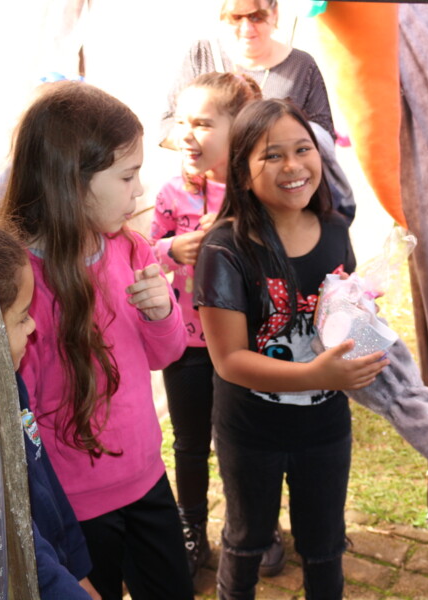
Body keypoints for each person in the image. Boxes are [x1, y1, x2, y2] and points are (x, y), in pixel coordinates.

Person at [0, 80, 191, 600]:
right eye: (128, 176)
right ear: (72, 182)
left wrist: (161, 313)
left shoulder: (130, 248)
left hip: (148, 479)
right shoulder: (22, 288)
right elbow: (24, 416)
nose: (141, 191)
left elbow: (166, 355)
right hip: (79, 510)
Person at [193, 99, 389, 599]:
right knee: (247, 539)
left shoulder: (336, 231)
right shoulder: (224, 249)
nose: (294, 165)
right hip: (251, 431)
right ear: (241, 172)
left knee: (324, 545)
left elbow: (341, 317)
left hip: (324, 428)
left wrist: (364, 323)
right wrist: (318, 377)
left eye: (303, 149)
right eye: (272, 155)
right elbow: (230, 360)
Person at [149, 71, 261, 581]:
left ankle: (254, 529)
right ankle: (191, 529)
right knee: (190, 443)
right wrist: (171, 249)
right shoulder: (173, 193)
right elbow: (143, 260)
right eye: (182, 122)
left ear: (237, 130)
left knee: (246, 442)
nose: (187, 133)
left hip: (244, 343)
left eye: (202, 123)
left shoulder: (256, 192)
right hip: (187, 347)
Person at [0, 222, 100, 600]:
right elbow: (20, 545)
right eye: (21, 317)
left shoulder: (11, 384)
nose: (33, 327)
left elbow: (44, 481)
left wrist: (79, 568)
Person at [160, 0, 355, 224]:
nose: (246, 28)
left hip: (277, 197)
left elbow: (323, 136)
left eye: (257, 17)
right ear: (222, 16)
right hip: (204, 195)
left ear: (275, 14)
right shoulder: (202, 53)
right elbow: (166, 127)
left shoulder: (302, 64)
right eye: (236, 17)